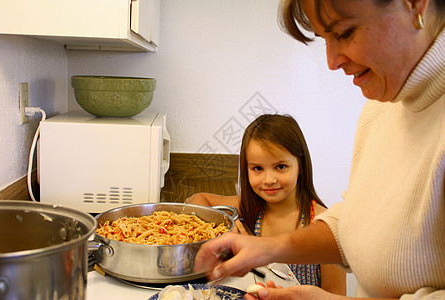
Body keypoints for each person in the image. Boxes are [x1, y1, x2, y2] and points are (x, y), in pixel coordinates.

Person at [194, 0, 445, 299]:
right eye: (325, 39)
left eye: (345, 32)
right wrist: (267, 249)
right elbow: (357, 223)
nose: (331, 61)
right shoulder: (379, 110)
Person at [185, 114, 346, 295]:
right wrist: (225, 229)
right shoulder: (249, 206)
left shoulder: (323, 225)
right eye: (258, 169)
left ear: (300, 166)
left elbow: (336, 293)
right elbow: (197, 200)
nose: (269, 180)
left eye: (281, 166)